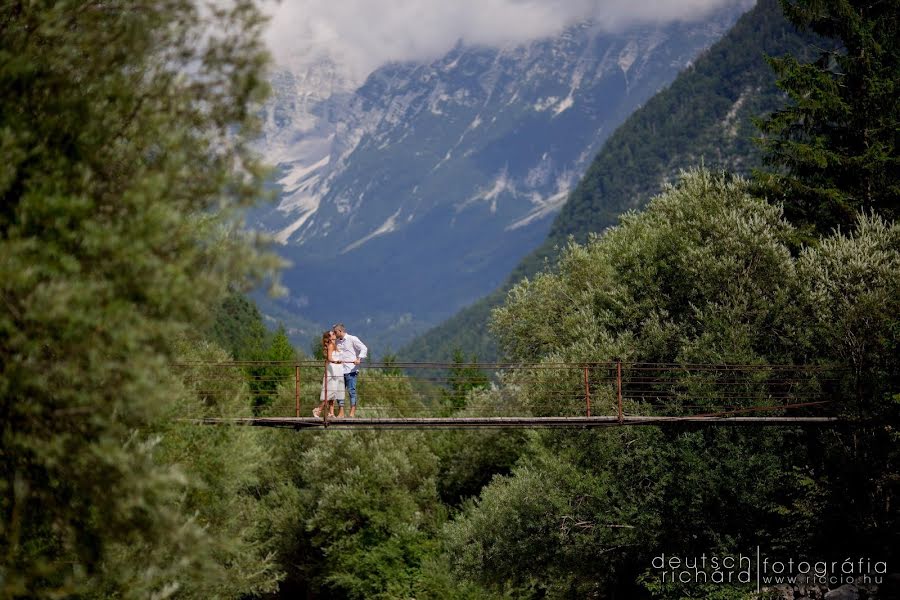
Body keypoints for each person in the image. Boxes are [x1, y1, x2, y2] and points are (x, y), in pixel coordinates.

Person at [333, 323, 367, 418]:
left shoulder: (352, 339)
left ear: (340, 331)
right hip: (340, 370)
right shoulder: (337, 342)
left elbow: (364, 348)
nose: (334, 334)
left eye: (335, 332)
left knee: (351, 391)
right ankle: (341, 412)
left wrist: (359, 359)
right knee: (340, 391)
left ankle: (352, 412)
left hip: (351, 370)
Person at [314, 330, 344, 419]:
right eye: (333, 334)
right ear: (330, 337)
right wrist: (336, 361)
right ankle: (318, 410)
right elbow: (329, 358)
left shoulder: (336, 345)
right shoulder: (331, 345)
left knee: (334, 392)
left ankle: (331, 412)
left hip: (338, 369)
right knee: (330, 391)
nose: (335, 335)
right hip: (333, 369)